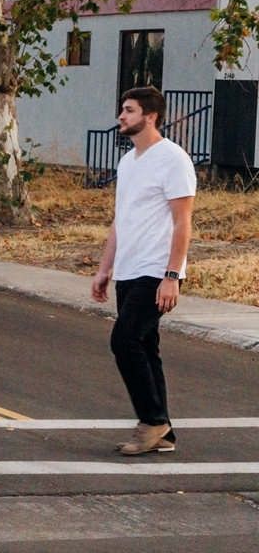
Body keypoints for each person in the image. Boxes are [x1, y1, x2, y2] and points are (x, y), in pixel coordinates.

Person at [90, 86, 196, 456]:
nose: (121, 116)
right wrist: (105, 269)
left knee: (125, 340)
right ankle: (163, 432)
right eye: (122, 109)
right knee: (146, 347)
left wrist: (172, 275)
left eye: (129, 110)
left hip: (156, 269)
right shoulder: (128, 161)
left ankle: (151, 421)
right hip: (129, 269)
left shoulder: (173, 159)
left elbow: (183, 223)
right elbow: (121, 220)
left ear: (150, 116)